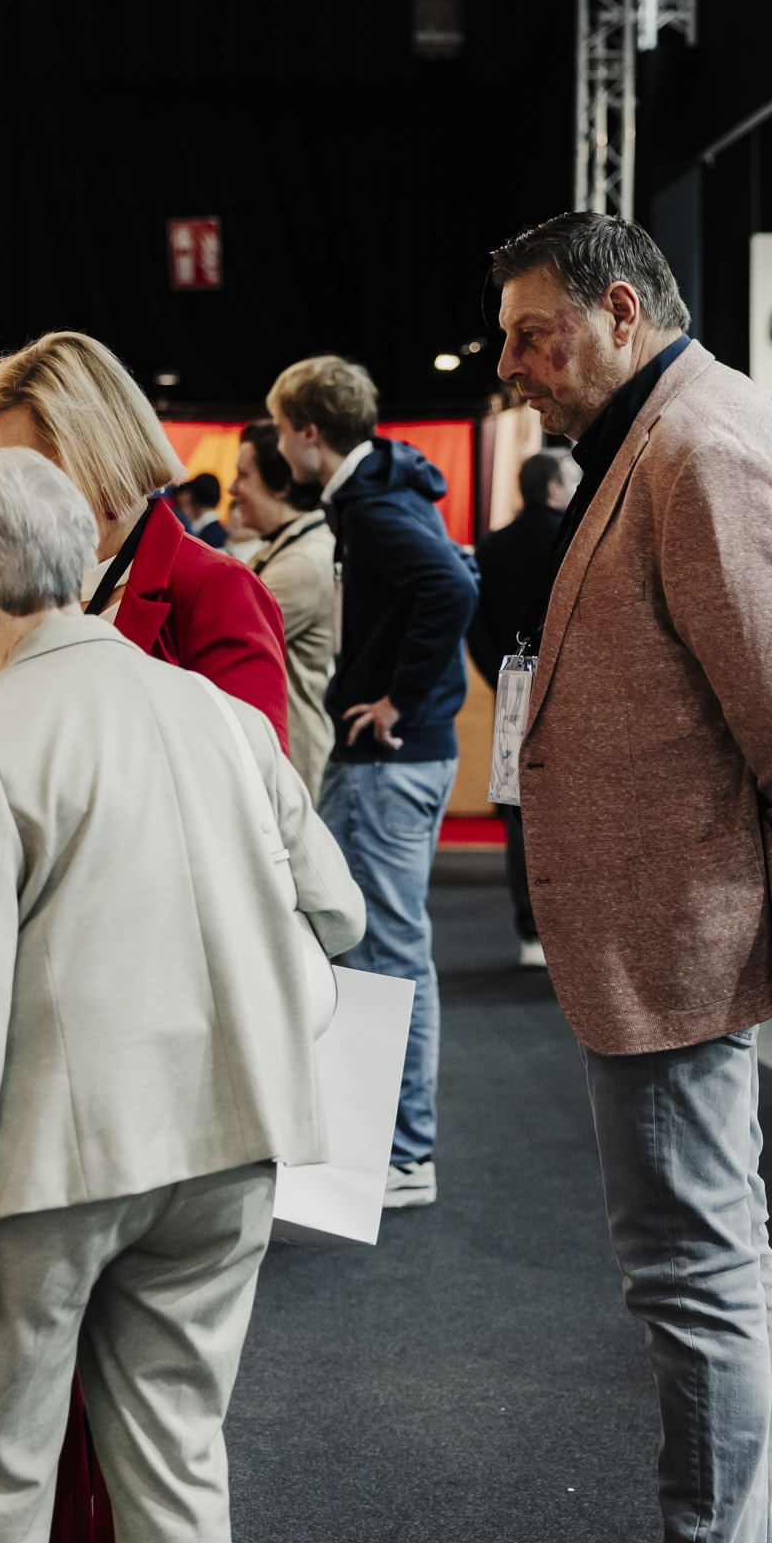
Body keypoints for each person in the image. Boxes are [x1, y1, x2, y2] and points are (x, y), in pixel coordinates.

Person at [491, 211, 772, 1543]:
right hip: (661, 921)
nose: (509, 366)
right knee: (694, 1259)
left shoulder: (703, 447)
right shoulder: (667, 434)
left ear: (621, 312)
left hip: (678, 930)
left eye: (532, 335)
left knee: (696, 1269)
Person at [0, 338, 290, 1543]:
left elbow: (261, 827)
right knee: (167, 1459)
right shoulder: (7, 603)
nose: (2, 489)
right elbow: (325, 893)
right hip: (164, 1096)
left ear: (93, 454)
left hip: (65, 1087)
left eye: (20, 463)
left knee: (3, 1469)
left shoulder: (198, 595)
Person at [269, 354, 477, 1211]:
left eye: (281, 430)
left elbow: (452, 586)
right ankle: (390, 1145)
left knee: (388, 955)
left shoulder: (377, 505)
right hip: (403, 756)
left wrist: (399, 698)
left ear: (309, 431)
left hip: (390, 760)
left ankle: (403, 1153)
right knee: (382, 949)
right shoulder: (383, 489)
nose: (278, 446)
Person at [464, 448, 579, 969]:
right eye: (571, 480)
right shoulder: (575, 538)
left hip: (512, 688)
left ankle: (531, 932)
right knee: (576, 807)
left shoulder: (492, 546)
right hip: (573, 688)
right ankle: (573, 929)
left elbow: (475, 625)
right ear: (553, 488)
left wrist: (503, 674)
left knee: (519, 809)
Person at [230, 421, 333, 799]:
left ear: (281, 486)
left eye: (243, 475)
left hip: (295, 770)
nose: (232, 489)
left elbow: (224, 640)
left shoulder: (302, 562)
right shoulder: (285, 549)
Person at [172, 471, 229, 547]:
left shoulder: (203, 536)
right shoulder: (219, 532)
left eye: (179, 505)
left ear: (192, 498)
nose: (181, 510)